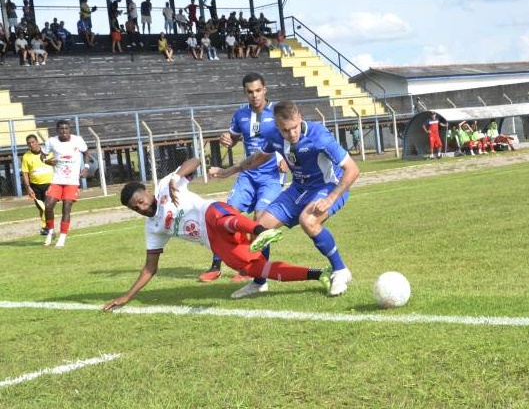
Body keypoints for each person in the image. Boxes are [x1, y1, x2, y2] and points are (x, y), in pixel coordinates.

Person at [102, 158, 329, 311]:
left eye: (140, 201)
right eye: (135, 208)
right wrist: (128, 296)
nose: (141, 208)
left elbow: (196, 161)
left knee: (217, 217)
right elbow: (150, 268)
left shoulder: (164, 186)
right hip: (215, 243)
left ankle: (261, 231)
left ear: (148, 193)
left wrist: (175, 177)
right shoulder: (153, 228)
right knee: (254, 269)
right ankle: (319, 274)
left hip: (214, 214)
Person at [209, 100, 360, 297]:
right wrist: (231, 170)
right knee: (259, 228)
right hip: (299, 188)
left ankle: (340, 271)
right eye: (285, 130)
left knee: (309, 220)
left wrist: (330, 199)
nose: (292, 134)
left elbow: (353, 169)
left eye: (294, 127)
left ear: (300, 118)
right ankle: (259, 282)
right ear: (277, 127)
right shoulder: (274, 136)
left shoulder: (319, 135)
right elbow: (258, 158)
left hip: (327, 186)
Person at [198, 72, 287, 297]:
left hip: (271, 175)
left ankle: (258, 274)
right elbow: (235, 137)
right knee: (225, 218)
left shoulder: (277, 113)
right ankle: (216, 266)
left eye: (258, 90)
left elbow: (291, 137)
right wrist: (227, 138)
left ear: (265, 89)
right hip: (247, 174)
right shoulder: (240, 115)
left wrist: (286, 160)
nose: (255, 95)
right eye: (250, 92)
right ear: (245, 93)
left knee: (261, 223)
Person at [40, 119, 93, 247]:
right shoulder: (51, 141)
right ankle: (51, 231)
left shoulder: (77, 140)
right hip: (57, 179)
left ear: (70, 129)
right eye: (61, 129)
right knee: (48, 205)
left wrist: (85, 167)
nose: (64, 131)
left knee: (66, 207)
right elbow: (42, 155)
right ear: (57, 130)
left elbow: (86, 153)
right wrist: (47, 161)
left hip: (72, 180)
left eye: (66, 129)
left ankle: (62, 237)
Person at [20, 134, 54, 235]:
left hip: (49, 184)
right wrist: (28, 187)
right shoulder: (26, 156)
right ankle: (46, 227)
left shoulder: (48, 152)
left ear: (37, 142)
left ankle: (49, 227)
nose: (31, 144)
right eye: (29, 143)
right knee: (41, 208)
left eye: (33, 142)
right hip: (35, 186)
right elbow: (25, 173)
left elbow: (55, 165)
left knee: (48, 207)